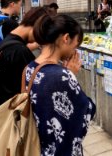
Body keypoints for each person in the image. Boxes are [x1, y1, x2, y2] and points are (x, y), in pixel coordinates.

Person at [26, 14, 96, 155]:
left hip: (36, 148)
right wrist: (70, 75)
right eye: (75, 45)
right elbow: (86, 111)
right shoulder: (61, 76)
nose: (74, 51)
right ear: (66, 38)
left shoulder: (29, 68)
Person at [0, 6, 48, 106]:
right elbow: (35, 90)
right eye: (41, 33)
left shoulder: (7, 41)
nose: (38, 39)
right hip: (11, 114)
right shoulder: (19, 51)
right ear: (36, 25)